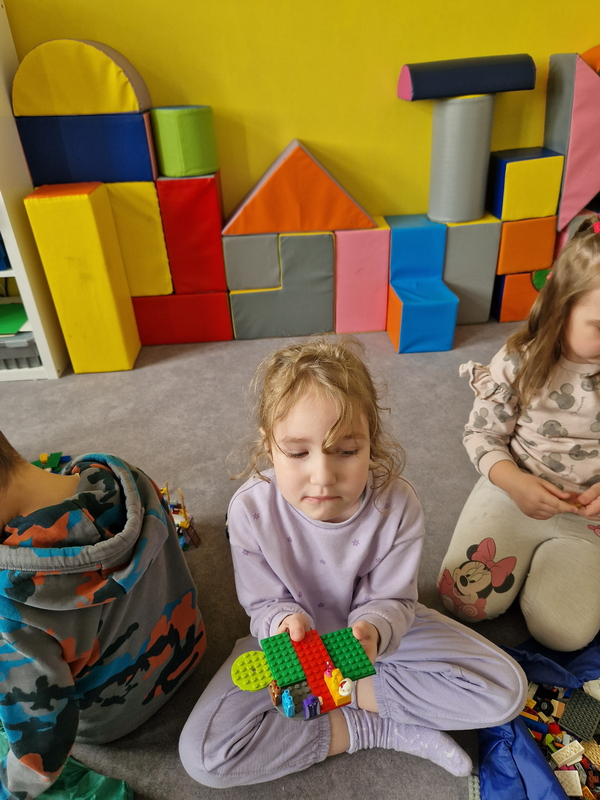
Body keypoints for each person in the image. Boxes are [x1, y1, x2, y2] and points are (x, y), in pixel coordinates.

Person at [179, 337, 526, 788]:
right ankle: (372, 726)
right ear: (268, 446)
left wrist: (373, 632)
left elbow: (393, 599)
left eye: (345, 451)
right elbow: (262, 603)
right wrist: (281, 623)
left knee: (506, 691)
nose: (323, 476)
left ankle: (355, 694)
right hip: (292, 651)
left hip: (379, 643)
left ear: (370, 443)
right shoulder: (250, 509)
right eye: (297, 453)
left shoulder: (396, 503)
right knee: (205, 756)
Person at [0, 435, 206, 798]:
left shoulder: (9, 606)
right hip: (189, 647)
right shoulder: (127, 480)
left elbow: (42, 741)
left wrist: (9, 788)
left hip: (113, 720)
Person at [438, 215, 600, 652]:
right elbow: (481, 434)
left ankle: (547, 570)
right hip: (514, 491)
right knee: (461, 599)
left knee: (564, 634)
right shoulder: (518, 361)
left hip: (589, 517)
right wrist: (513, 482)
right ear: (561, 308)